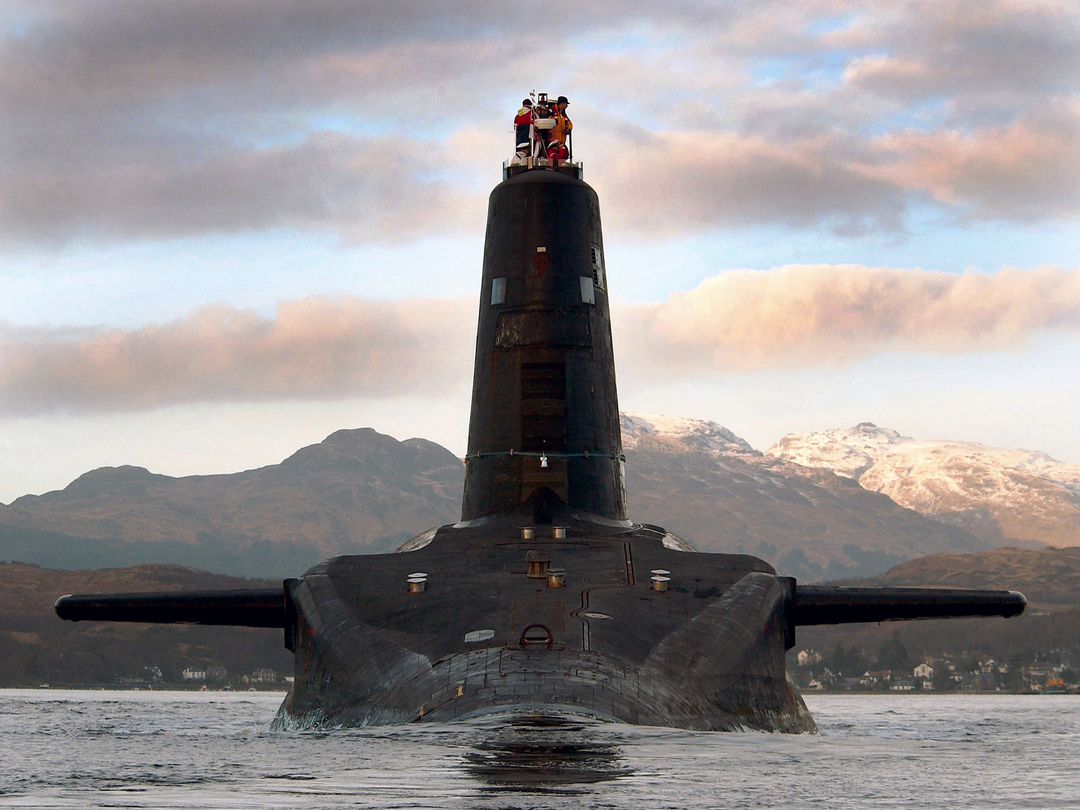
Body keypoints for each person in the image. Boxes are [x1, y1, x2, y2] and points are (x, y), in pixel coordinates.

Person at [549, 95, 572, 161]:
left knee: (563, 156)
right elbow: (548, 123)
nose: (566, 106)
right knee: (555, 159)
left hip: (561, 143)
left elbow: (570, 123)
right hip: (553, 142)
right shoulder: (552, 112)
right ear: (562, 104)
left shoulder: (563, 114)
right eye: (566, 104)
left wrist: (568, 129)